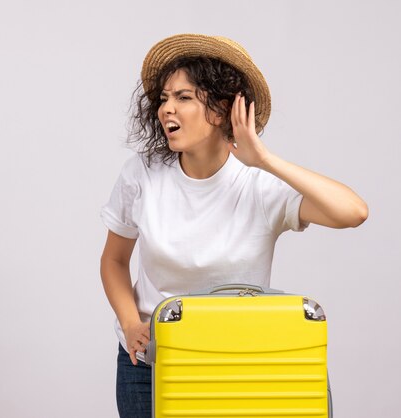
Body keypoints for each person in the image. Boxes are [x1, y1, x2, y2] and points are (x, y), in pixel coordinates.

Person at [99, 34, 368, 418]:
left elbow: (353, 212)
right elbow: (113, 261)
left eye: (184, 97)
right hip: (151, 361)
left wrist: (265, 159)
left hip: (237, 355)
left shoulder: (260, 184)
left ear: (223, 109)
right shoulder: (141, 175)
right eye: (164, 98)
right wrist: (129, 323)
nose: (166, 109)